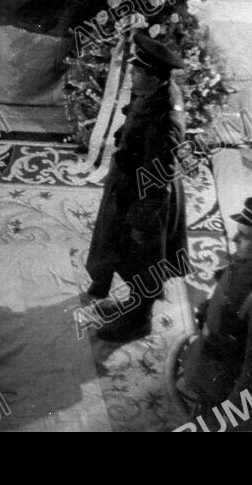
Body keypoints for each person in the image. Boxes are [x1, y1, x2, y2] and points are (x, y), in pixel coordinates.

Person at [83, 33, 189, 344]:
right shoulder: (152, 92)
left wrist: (142, 221)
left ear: (154, 77)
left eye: (137, 70)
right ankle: (133, 303)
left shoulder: (166, 120)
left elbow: (159, 177)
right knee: (118, 248)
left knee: (142, 260)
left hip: (147, 197)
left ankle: (139, 320)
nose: (131, 73)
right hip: (129, 184)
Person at [182, 198, 252, 431]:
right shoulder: (251, 261)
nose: (234, 239)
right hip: (210, 359)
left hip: (226, 379)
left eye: (244, 236)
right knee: (204, 405)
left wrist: (233, 414)